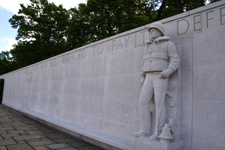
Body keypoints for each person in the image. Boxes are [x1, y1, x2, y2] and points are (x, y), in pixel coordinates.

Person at [134, 22, 179, 140]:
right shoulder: (147, 46)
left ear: (160, 31)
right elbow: (143, 61)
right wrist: (141, 76)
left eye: (153, 30)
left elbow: (175, 59)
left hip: (160, 76)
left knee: (159, 104)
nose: (151, 32)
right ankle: (144, 130)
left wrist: (169, 71)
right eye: (149, 31)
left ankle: (158, 132)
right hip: (148, 76)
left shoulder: (168, 44)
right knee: (143, 102)